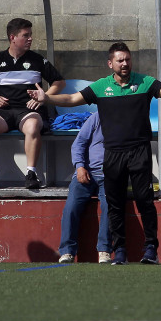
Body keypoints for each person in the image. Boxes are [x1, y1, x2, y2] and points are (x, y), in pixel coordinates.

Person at [29, 42, 161, 265]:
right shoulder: (101, 87)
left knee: (145, 202)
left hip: (139, 151)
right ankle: (119, 251)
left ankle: (151, 249)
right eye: (120, 60)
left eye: (127, 59)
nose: (125, 64)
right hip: (112, 155)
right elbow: (73, 99)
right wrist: (47, 98)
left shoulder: (145, 82)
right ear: (110, 63)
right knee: (114, 204)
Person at [0, 17, 65, 190]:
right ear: (12, 38)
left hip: (28, 111)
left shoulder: (38, 60)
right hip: (3, 112)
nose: (30, 39)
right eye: (26, 35)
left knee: (32, 126)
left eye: (30, 35)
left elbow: (59, 82)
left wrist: (44, 96)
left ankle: (31, 174)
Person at [58, 112, 111, 264]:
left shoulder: (128, 119)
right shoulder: (96, 117)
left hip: (110, 175)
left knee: (110, 206)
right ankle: (67, 252)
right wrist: (80, 167)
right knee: (71, 207)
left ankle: (104, 250)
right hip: (87, 172)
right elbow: (79, 143)